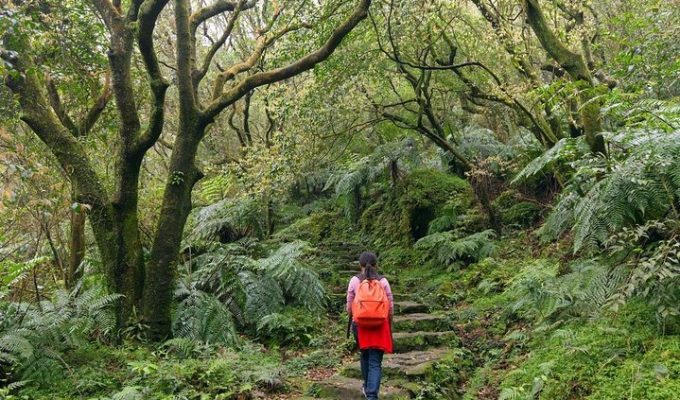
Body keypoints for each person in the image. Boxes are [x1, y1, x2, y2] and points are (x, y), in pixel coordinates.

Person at [346, 251, 394, 400]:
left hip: (359, 325)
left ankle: (367, 388)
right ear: (376, 265)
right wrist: (389, 324)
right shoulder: (383, 281)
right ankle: (372, 395)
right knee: (375, 362)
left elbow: (349, 307)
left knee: (365, 355)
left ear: (360, 265)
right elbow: (390, 307)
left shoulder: (354, 281)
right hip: (379, 325)